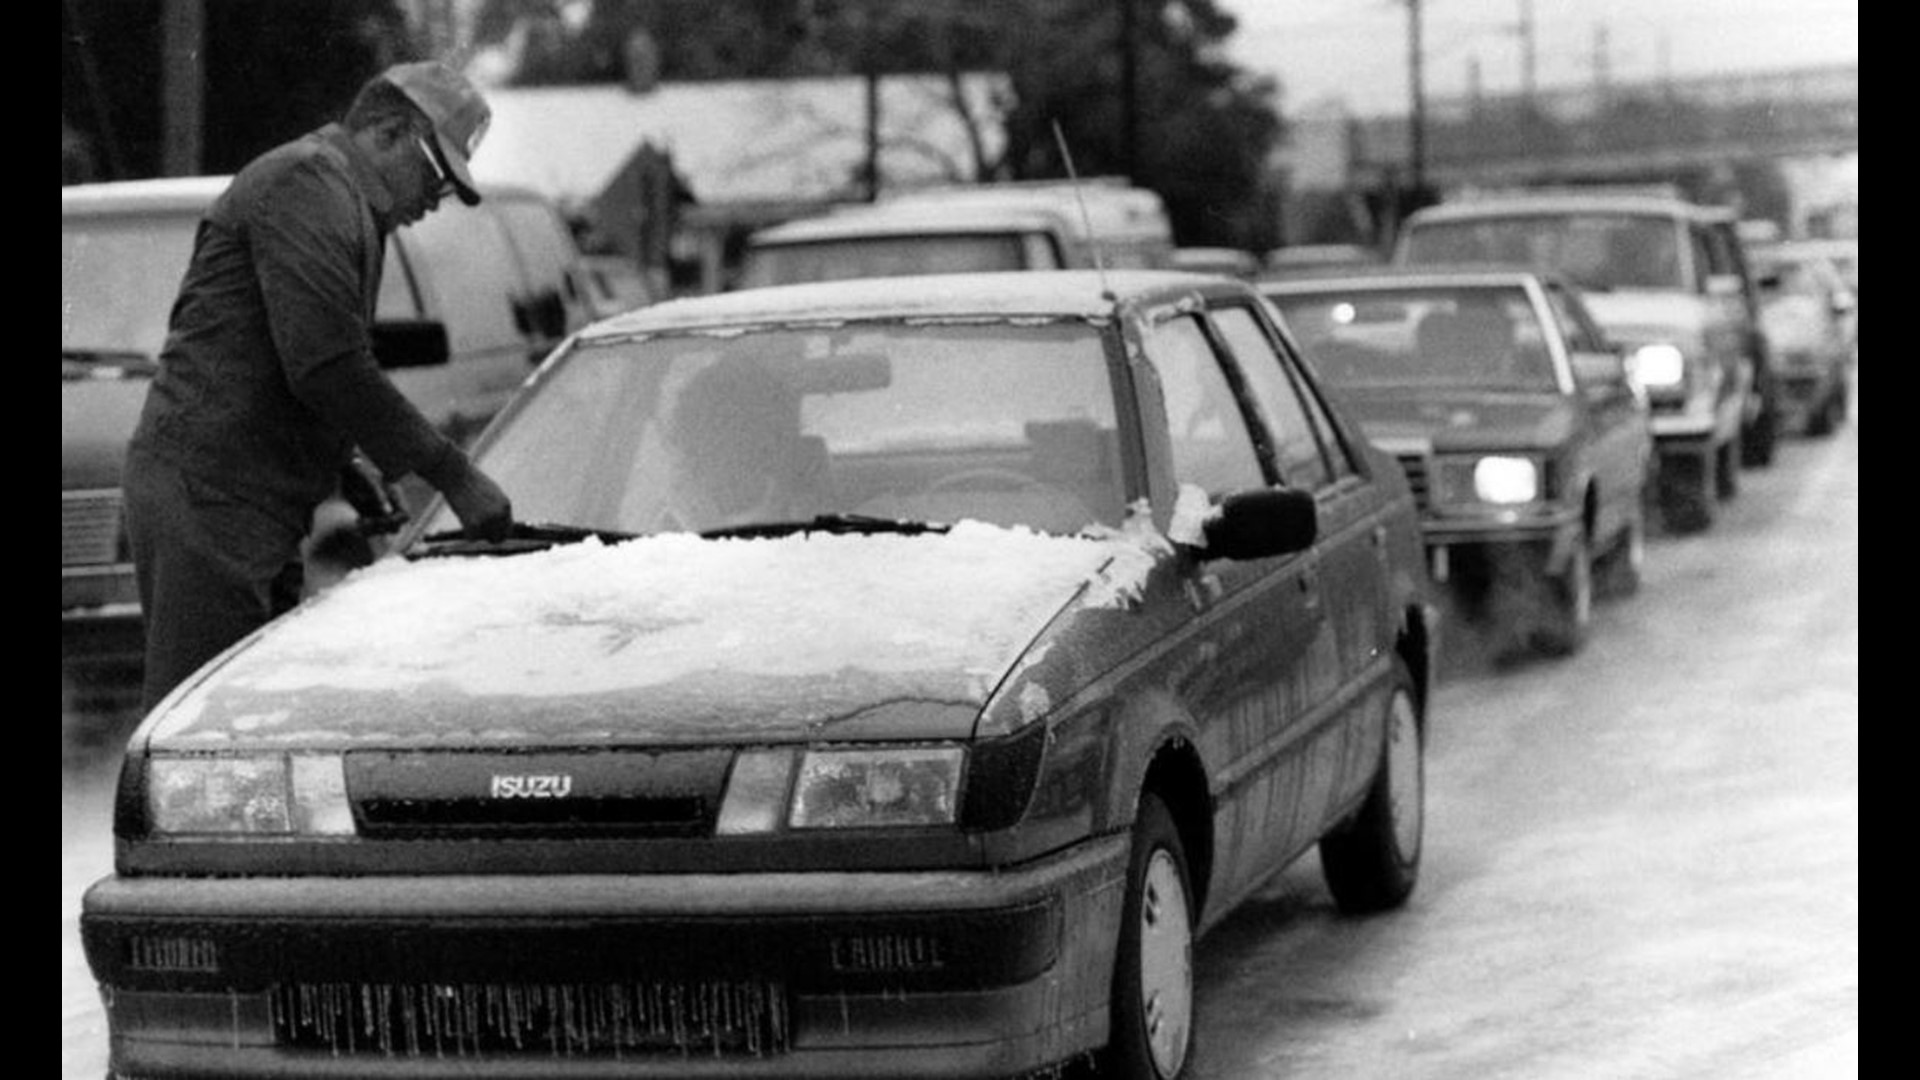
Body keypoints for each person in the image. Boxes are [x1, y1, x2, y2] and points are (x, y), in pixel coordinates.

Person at [121, 60, 515, 713]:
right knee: (195, 729)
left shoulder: (346, 201)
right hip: (211, 496)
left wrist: (344, 461)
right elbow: (327, 364)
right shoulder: (308, 184)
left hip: (240, 501)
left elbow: (300, 357)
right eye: (436, 175)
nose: (434, 200)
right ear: (388, 133)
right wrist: (453, 474)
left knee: (238, 723)